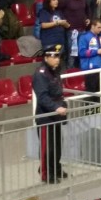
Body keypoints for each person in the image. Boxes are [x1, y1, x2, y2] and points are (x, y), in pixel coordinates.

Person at [33, 44, 68, 184]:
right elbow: (42, 97)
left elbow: (58, 91)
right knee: (47, 147)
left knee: (57, 145)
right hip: (45, 116)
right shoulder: (40, 74)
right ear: (46, 57)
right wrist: (56, 107)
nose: (57, 59)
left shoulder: (55, 71)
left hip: (56, 115)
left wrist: (62, 105)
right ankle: (46, 173)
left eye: (58, 56)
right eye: (54, 56)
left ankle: (56, 168)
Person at [78, 19, 101, 107]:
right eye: (98, 27)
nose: (100, 29)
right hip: (90, 70)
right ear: (92, 26)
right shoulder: (84, 37)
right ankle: (89, 113)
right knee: (90, 95)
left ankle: (100, 112)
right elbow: (81, 52)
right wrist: (97, 52)